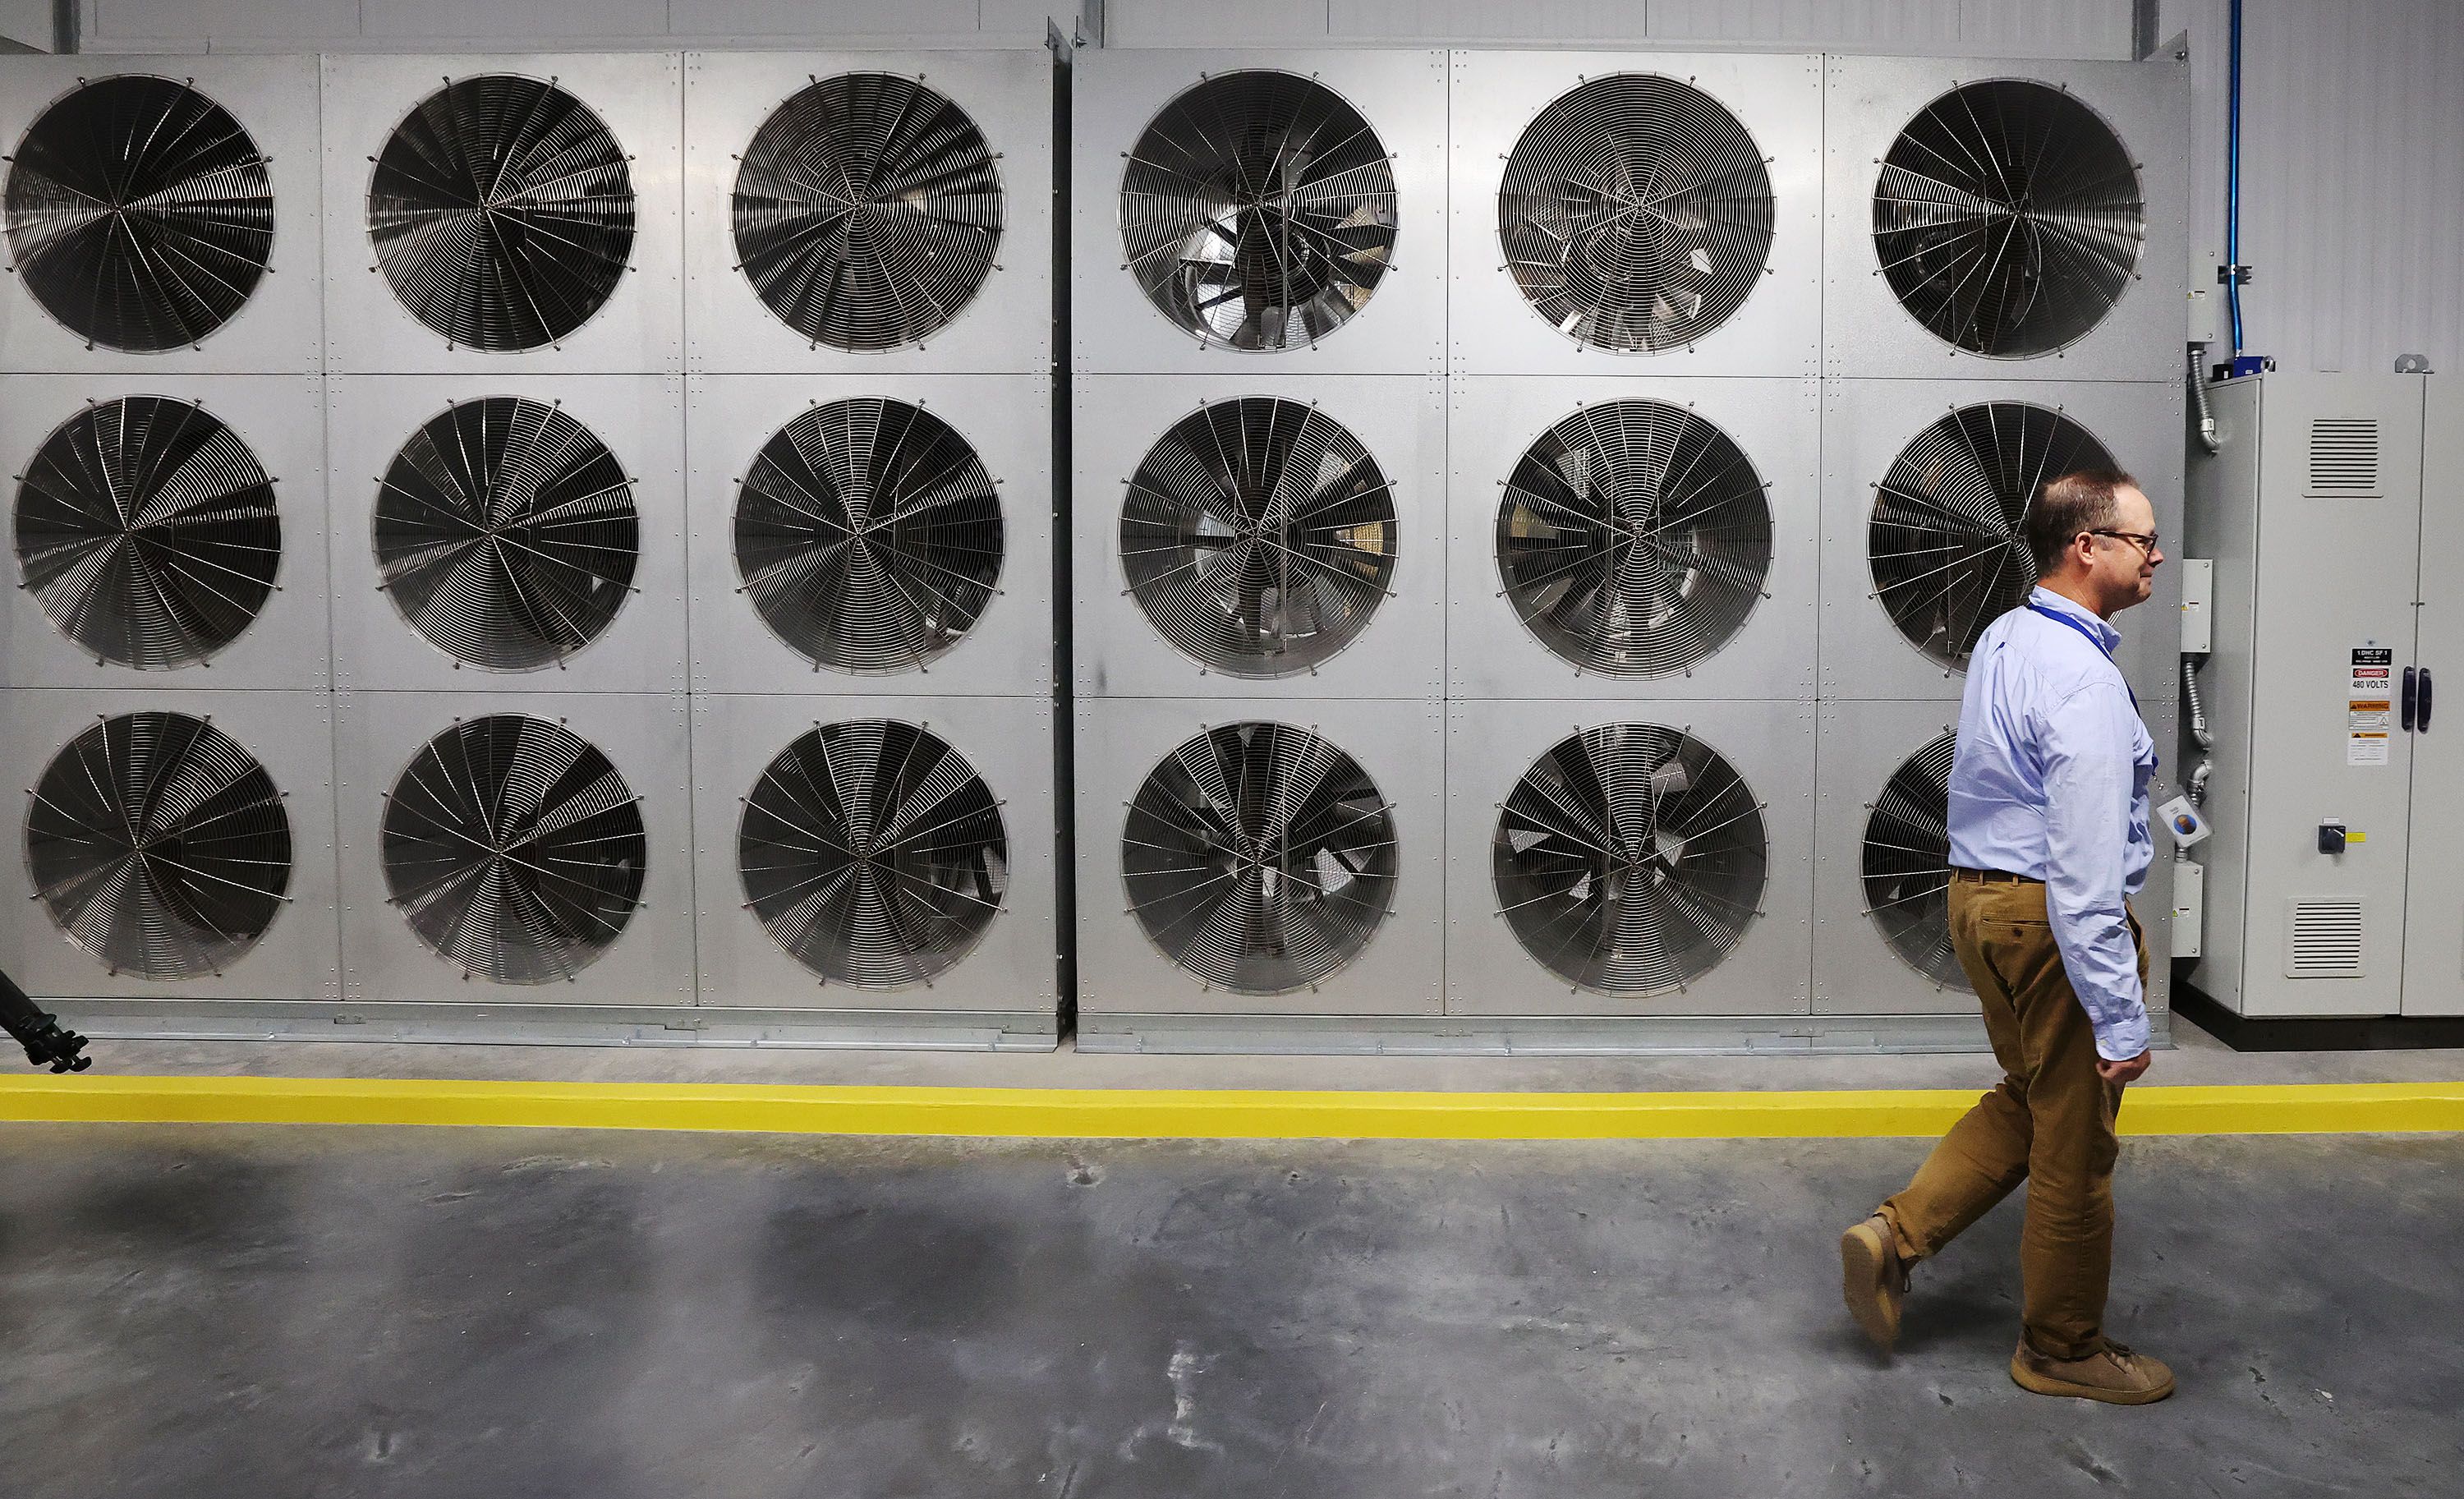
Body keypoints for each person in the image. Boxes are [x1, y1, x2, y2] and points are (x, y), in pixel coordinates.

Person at [1839, 468, 2172, 1405]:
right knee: (2077, 1150)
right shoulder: (2083, 681)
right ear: (2087, 547)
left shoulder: (2007, 634)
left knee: (2029, 1099)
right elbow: (2083, 866)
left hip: (1979, 903)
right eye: (2142, 539)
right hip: (2050, 920)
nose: (2155, 556)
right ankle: (2061, 1348)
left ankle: (1894, 1237)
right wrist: (2120, 1018)